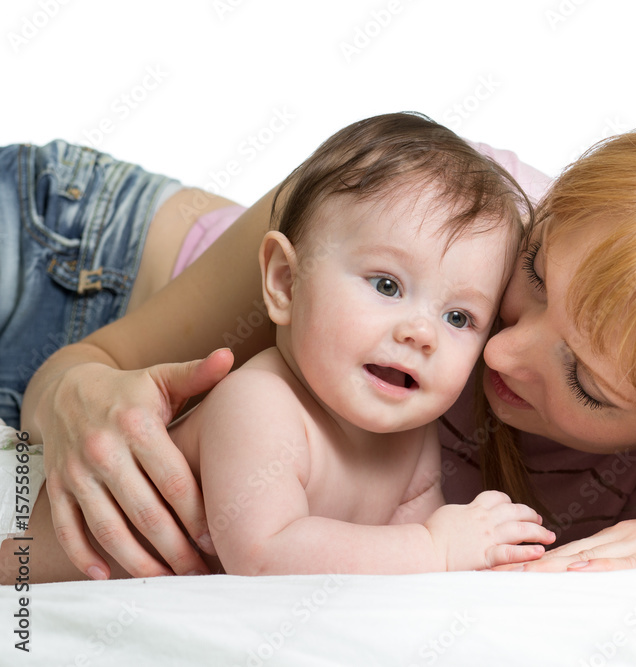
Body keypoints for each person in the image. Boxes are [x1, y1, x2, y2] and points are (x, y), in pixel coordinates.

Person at [9, 103, 636, 582]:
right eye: (532, 278)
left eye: (588, 380)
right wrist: (72, 390)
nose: (496, 354)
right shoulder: (452, 203)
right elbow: (90, 364)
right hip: (75, 255)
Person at [0, 113, 556, 581]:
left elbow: (398, 566)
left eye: (459, 316)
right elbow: (265, 557)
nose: (422, 333)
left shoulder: (412, 433)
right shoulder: (258, 404)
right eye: (386, 285)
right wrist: (437, 549)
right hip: (27, 569)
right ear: (286, 283)